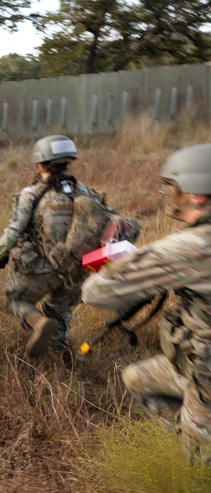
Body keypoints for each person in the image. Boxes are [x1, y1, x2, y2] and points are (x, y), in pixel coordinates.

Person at [82, 144, 211, 466]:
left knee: (201, 469)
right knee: (138, 378)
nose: (167, 193)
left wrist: (125, 260)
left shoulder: (191, 245)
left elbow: (96, 293)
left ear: (197, 195)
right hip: (192, 365)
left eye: (172, 186)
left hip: (206, 375)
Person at [0, 135, 112, 357]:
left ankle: (38, 323)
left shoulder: (31, 194)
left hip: (40, 269)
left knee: (17, 300)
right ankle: (61, 357)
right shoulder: (86, 191)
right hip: (79, 269)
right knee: (59, 309)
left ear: (39, 163)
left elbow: (15, 229)